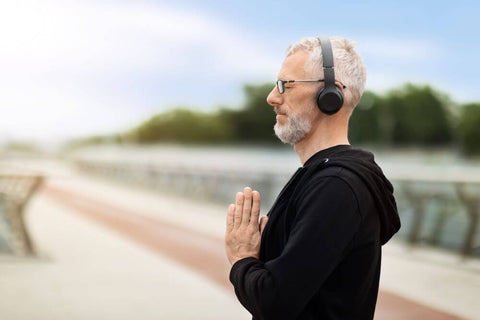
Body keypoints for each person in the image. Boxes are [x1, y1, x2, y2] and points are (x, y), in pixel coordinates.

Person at [224, 36, 401, 320]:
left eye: (286, 84)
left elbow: (274, 301)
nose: (272, 96)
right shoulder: (320, 176)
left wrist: (242, 257)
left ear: (331, 95)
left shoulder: (337, 187)